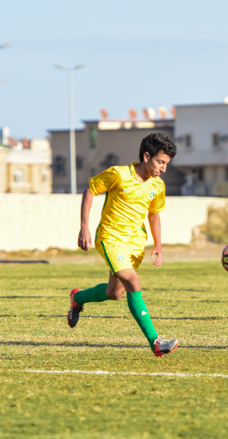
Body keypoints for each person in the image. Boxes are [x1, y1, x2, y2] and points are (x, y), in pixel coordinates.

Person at [66, 132, 180, 358]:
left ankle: (77, 298)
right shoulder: (118, 174)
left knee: (115, 293)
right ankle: (155, 341)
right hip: (110, 238)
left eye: (166, 164)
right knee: (133, 281)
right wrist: (84, 226)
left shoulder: (157, 185)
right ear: (146, 156)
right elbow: (90, 191)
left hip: (135, 244)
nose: (163, 168)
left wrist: (158, 245)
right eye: (160, 162)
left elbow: (154, 214)